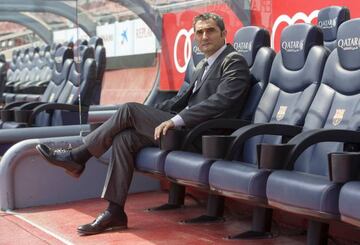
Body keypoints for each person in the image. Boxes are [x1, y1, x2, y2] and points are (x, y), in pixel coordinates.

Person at [36, 12, 250, 236]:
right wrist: (155, 113)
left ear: (224, 34)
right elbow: (178, 101)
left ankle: (79, 155)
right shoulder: (203, 66)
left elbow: (222, 102)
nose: (204, 36)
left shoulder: (233, 61)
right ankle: (114, 211)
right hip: (187, 131)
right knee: (124, 138)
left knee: (129, 110)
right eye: (199, 32)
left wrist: (175, 120)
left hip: (206, 137)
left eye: (210, 31)